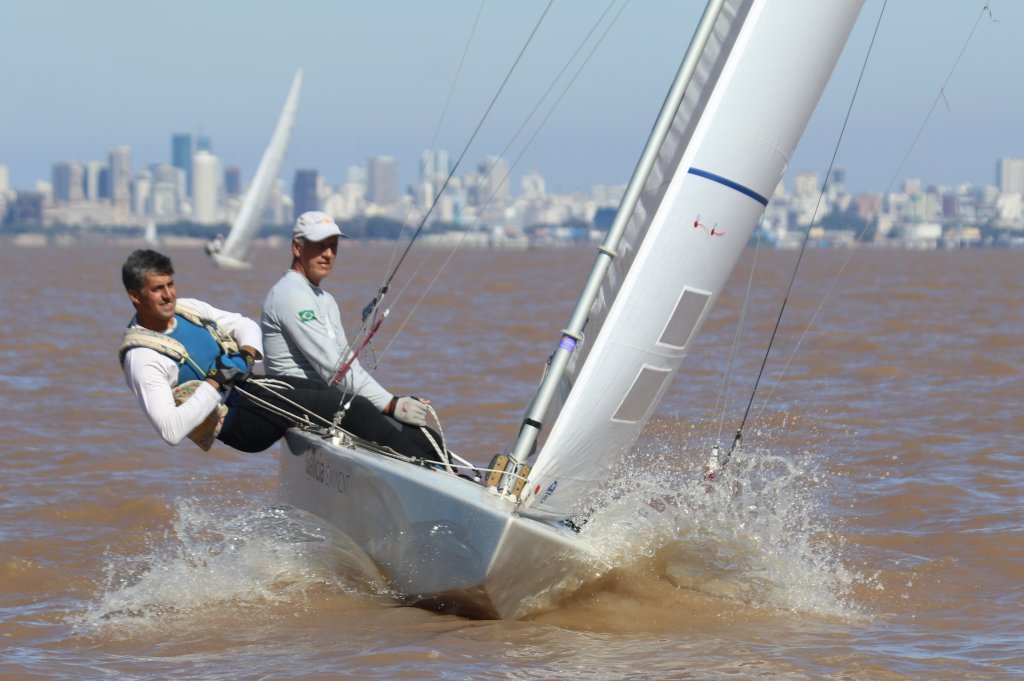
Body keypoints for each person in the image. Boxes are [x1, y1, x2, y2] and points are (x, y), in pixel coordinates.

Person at [118, 248, 441, 460]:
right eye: (157, 289)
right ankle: (433, 471)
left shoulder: (189, 309)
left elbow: (245, 325)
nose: (168, 295)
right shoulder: (143, 358)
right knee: (350, 406)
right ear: (135, 296)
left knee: (339, 393)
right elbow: (171, 431)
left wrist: (245, 353)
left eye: (170, 284)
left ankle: (441, 460)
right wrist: (215, 384)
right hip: (240, 423)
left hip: (253, 392)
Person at [261, 211, 444, 461]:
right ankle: (435, 475)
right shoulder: (290, 294)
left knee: (427, 438)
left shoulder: (325, 300)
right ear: (297, 247)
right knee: (368, 414)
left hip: (327, 403)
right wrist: (391, 405)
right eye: (319, 247)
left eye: (333, 247)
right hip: (299, 410)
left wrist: (393, 404)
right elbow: (333, 370)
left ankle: (455, 477)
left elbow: (345, 362)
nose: (328, 254)